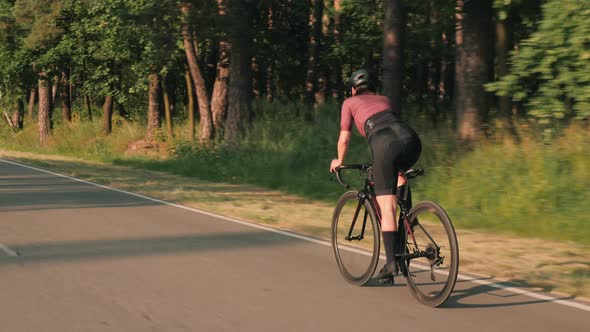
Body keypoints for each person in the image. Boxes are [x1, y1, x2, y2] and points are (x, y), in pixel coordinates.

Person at [329, 69, 422, 283]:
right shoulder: (384, 99)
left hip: (384, 144)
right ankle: (409, 217)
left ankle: (391, 265)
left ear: (353, 89)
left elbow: (344, 139)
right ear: (372, 88)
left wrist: (339, 161)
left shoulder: (350, 102)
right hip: (411, 140)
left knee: (387, 208)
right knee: (397, 175)